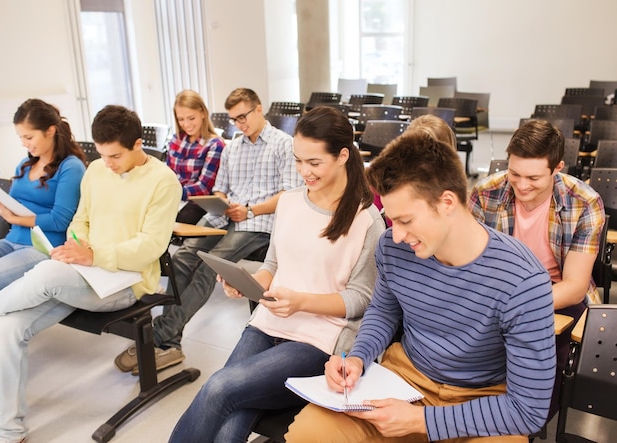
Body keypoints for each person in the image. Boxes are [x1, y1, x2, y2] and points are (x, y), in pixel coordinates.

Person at [285, 131, 556, 442]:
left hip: (483, 397)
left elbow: (527, 411)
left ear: (447, 203)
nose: (396, 235)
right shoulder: (392, 246)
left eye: (406, 220)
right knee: (308, 434)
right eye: (392, 219)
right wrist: (357, 357)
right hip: (405, 378)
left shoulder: (523, 281)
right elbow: (383, 312)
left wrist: (422, 420)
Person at [168, 105, 385, 443]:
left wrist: (301, 302)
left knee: (220, 387)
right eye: (298, 160)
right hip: (268, 323)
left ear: (343, 155)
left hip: (318, 340)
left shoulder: (366, 220)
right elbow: (273, 264)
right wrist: (251, 285)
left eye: (314, 163)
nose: (304, 171)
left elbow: (361, 300)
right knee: (233, 410)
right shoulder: (290, 202)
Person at [0, 105, 181, 443]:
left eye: (115, 156)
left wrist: (94, 256)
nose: (107, 163)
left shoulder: (163, 181)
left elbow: (150, 246)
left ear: (138, 144)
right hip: (84, 276)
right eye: (103, 155)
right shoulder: (96, 170)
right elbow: (80, 220)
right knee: (8, 327)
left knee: (47, 272)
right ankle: (9, 431)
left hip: (127, 282)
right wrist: (77, 248)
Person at [114, 87, 302, 375]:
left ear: (259, 109)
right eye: (234, 119)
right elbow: (219, 188)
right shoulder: (233, 146)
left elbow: (289, 195)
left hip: (259, 223)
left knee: (208, 268)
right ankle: (170, 345)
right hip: (224, 218)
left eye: (243, 117)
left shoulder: (283, 144)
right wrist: (222, 201)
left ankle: (158, 336)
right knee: (181, 259)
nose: (239, 124)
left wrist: (250, 209)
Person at [468, 119, 605, 420]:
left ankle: (526, 422)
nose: (521, 185)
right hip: (499, 289)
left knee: (547, 357)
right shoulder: (485, 193)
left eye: (533, 177)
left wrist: (519, 307)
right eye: (514, 173)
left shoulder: (584, 202)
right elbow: (473, 265)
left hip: (558, 293)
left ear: (557, 168)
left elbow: (574, 286)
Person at [0, 98, 86, 293]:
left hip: (42, 247)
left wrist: (14, 218)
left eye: (29, 137)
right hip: (12, 240)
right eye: (20, 137)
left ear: (50, 131)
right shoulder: (25, 165)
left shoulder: (71, 167)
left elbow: (60, 221)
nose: (24, 144)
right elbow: (17, 203)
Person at [167, 89, 225, 225]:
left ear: (203, 113)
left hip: (197, 203)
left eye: (191, 118)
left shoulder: (215, 145)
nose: (186, 124)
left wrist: (172, 193)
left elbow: (203, 188)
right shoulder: (176, 140)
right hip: (174, 197)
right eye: (181, 119)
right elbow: (168, 175)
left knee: (172, 222)